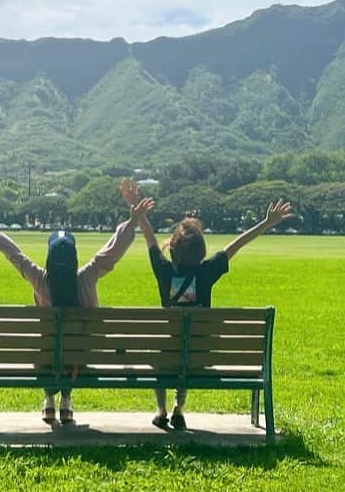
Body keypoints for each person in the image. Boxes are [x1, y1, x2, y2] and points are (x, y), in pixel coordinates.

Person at [0, 185, 153, 425]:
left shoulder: (40, 280)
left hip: (46, 358)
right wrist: (132, 222)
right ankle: (66, 401)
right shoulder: (87, 277)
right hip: (81, 358)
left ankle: (49, 400)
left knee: (49, 347)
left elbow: (13, 253)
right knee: (73, 346)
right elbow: (112, 251)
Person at [123, 180, 291, 431]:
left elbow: (148, 236)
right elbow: (238, 244)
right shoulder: (206, 272)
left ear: (172, 248)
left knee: (164, 352)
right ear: (201, 251)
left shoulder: (163, 270)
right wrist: (267, 222)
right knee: (187, 347)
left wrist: (136, 209)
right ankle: (179, 408)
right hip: (200, 357)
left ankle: (161, 410)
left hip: (166, 356)